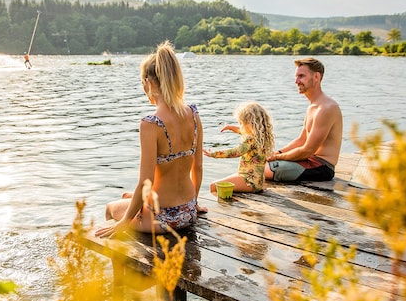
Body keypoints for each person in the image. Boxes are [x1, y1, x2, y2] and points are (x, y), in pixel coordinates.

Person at [95, 41, 204, 239]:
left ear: (149, 83)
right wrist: (193, 204)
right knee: (126, 197)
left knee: (111, 208)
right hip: (189, 212)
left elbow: (146, 181)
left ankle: (119, 258)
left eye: (142, 83)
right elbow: (197, 168)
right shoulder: (194, 115)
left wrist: (124, 222)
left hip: (162, 219)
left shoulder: (151, 124)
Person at [264, 57, 343, 182]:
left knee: (259, 170)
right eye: (296, 76)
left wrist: (277, 158)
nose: (296, 81)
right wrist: (276, 153)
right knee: (256, 164)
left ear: (316, 77)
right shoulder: (314, 106)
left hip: (321, 167)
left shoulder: (326, 108)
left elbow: (307, 150)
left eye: (301, 76)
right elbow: (302, 140)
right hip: (309, 161)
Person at [203, 102, 274, 193]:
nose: (240, 126)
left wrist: (213, 154)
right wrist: (232, 128)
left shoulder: (250, 139)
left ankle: (226, 206)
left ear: (249, 123)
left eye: (241, 123)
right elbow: (245, 132)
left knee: (213, 186)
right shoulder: (261, 137)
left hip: (248, 181)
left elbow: (236, 152)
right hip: (257, 181)